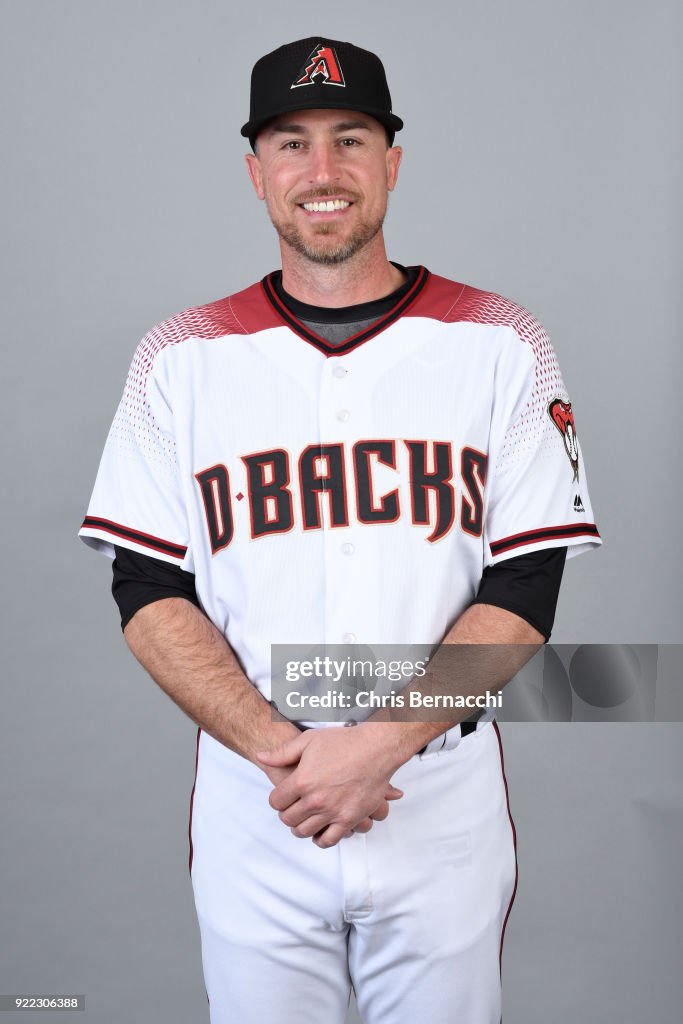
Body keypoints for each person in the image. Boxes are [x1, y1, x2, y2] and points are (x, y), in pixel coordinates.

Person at [79, 36, 601, 1024]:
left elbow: (525, 588)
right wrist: (286, 751)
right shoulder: (176, 358)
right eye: (290, 143)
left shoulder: (502, 341)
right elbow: (146, 590)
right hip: (258, 796)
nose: (321, 172)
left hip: (437, 795)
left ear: (391, 163)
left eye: (349, 138)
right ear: (255, 172)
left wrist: (376, 745)